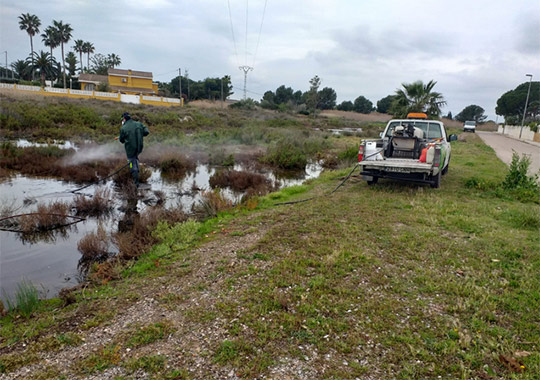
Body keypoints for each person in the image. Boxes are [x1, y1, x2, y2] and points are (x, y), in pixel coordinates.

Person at [118, 112, 149, 187]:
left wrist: (121, 137)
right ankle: (136, 174)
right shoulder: (139, 124)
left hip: (130, 150)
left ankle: (135, 183)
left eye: (122, 120)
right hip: (139, 148)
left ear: (124, 119)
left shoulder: (123, 128)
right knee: (135, 159)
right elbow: (146, 132)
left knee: (131, 164)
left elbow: (121, 140)